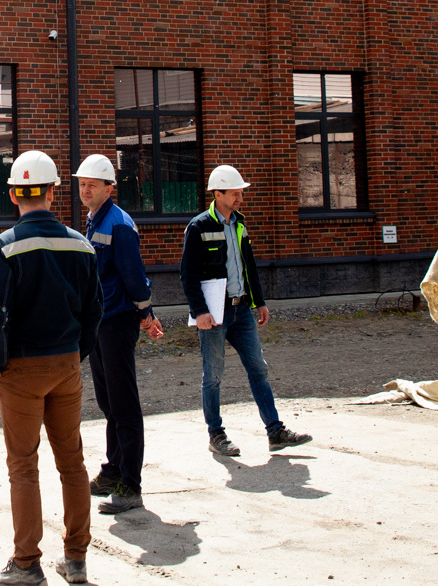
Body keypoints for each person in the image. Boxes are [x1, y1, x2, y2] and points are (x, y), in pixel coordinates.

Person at [0, 149, 102, 586]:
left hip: (21, 369)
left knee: (23, 466)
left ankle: (27, 562)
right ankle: (76, 557)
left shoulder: (6, 245)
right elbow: (95, 311)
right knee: (72, 462)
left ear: (14, 194)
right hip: (66, 362)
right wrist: (76, 355)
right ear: (53, 192)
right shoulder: (81, 244)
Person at [180, 164, 311, 457]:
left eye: (241, 193)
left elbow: (248, 267)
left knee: (259, 369)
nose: (240, 198)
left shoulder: (239, 224)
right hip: (215, 313)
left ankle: (275, 431)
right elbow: (187, 275)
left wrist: (259, 302)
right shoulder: (199, 227)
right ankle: (216, 434)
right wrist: (199, 311)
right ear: (217, 193)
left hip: (242, 312)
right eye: (235, 193)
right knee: (212, 375)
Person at [75, 154, 164, 515]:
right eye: (82, 184)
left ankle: (131, 484)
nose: (85, 190)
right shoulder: (94, 219)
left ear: (110, 188)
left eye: (92, 185)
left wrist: (146, 313)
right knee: (108, 402)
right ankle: (113, 470)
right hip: (99, 322)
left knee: (124, 404)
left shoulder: (119, 224)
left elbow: (133, 274)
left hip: (116, 322)